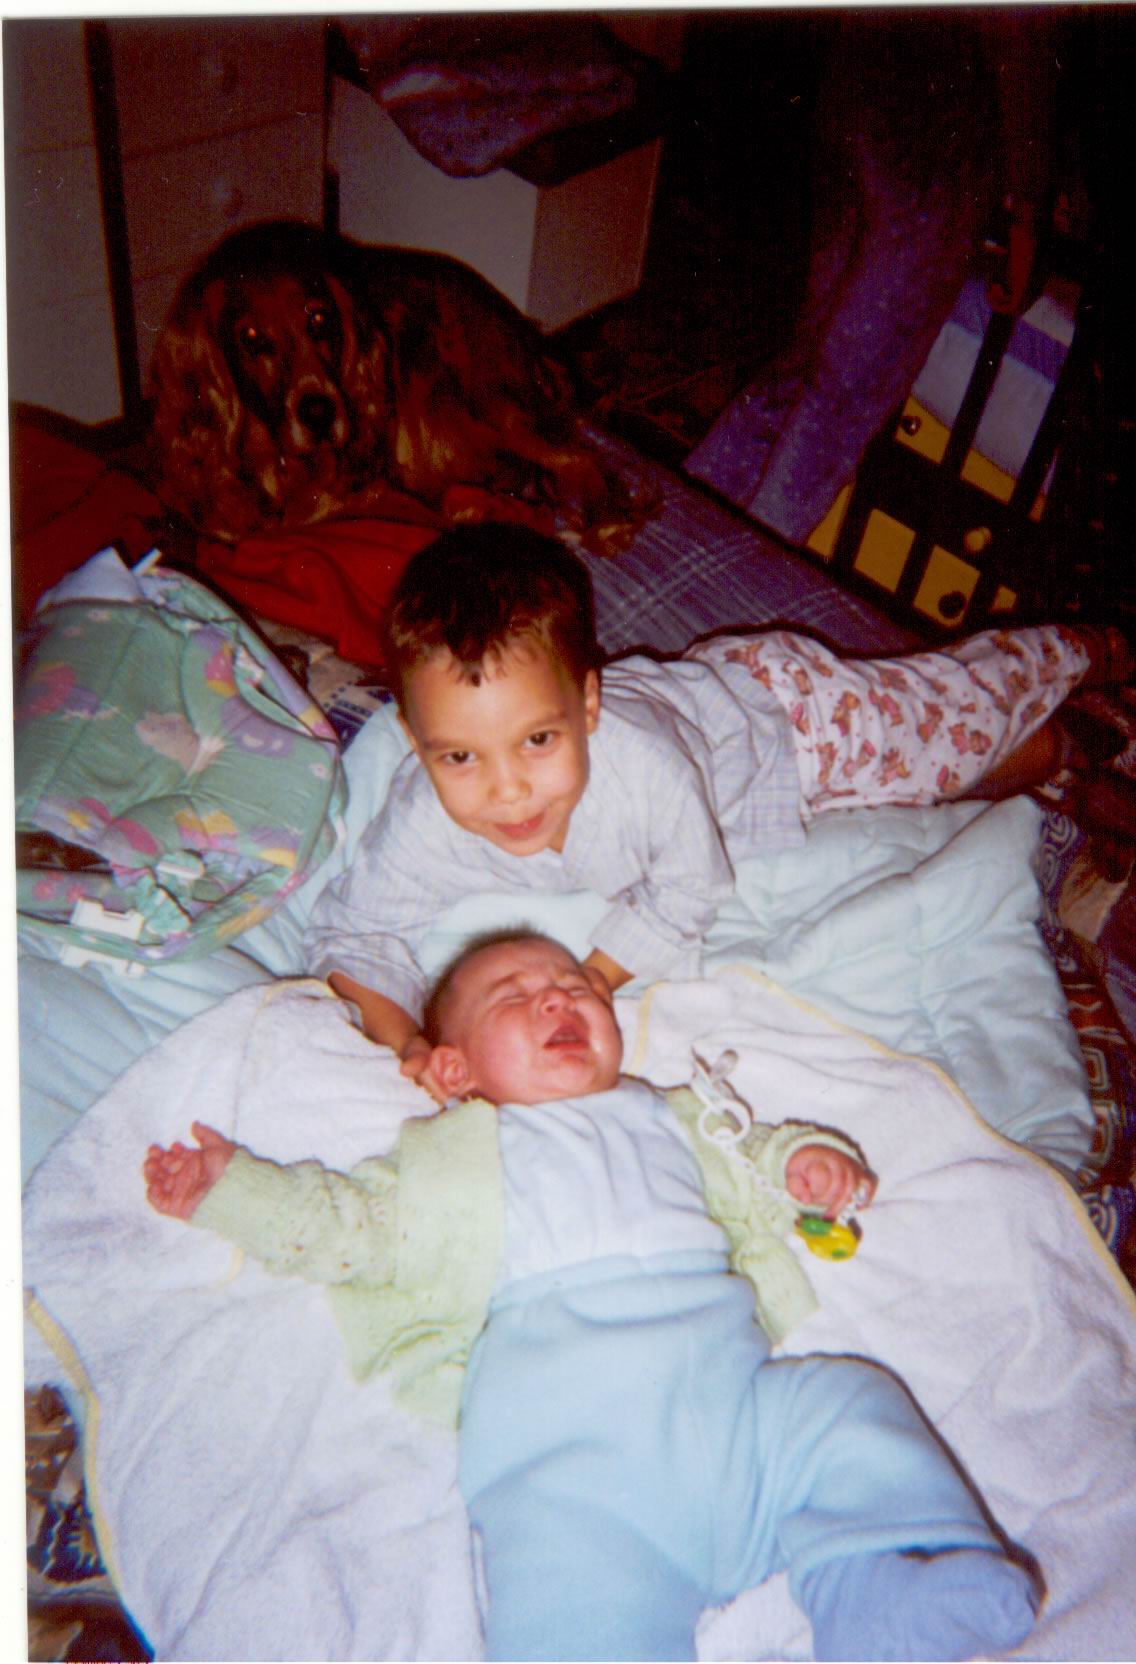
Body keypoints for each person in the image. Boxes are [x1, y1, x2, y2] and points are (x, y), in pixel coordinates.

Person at [144, 930, 1041, 1663]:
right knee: (572, 1607)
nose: (556, 1000)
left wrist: (802, 1164)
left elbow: (751, 1158)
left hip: (740, 1428)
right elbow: (347, 1228)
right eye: (514, 997)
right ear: (455, 1069)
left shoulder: (674, 1114)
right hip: (574, 1478)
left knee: (847, 1403)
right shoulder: (450, 1161)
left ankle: (873, 1596)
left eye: (574, 985)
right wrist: (234, 1189)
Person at [301, 522, 1132, 1086]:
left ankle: (1088, 648)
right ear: (414, 741)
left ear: (587, 705)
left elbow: (689, 890)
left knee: (956, 726)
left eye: (538, 740)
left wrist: (596, 975)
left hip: (789, 720)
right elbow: (352, 933)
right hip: (741, 780)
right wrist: (408, 1043)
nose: (507, 790)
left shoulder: (643, 769)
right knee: (930, 794)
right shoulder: (425, 819)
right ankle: (1070, 748)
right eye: (459, 756)